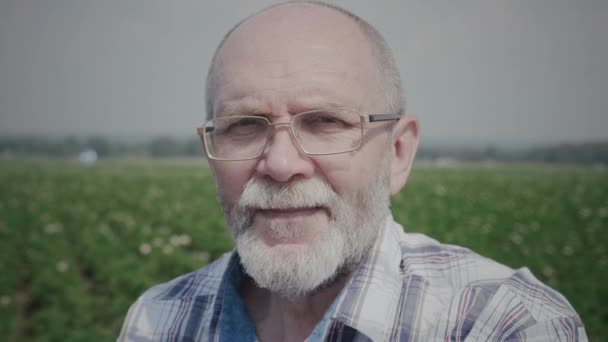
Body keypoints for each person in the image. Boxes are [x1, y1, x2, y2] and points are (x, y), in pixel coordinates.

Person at [119, 2, 587, 341]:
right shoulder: (159, 322)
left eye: (326, 122)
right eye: (244, 125)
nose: (281, 165)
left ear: (399, 153)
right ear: (211, 151)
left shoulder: (502, 324)